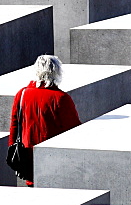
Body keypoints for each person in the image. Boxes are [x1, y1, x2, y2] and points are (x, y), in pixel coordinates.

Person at [8, 55, 81, 186]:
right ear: (57, 72)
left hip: (27, 155)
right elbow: (74, 130)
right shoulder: (61, 98)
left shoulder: (22, 93)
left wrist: (12, 149)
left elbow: (14, 125)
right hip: (54, 159)